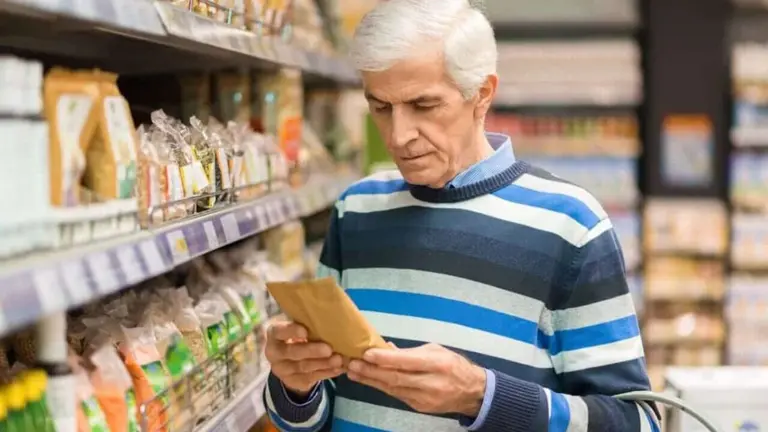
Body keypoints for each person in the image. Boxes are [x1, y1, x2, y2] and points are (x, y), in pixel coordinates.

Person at [263, 0, 660, 430]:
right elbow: (320, 415)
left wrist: (481, 396)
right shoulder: (356, 210)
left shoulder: (571, 226)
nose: (399, 136)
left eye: (424, 105)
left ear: (482, 94)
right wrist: (295, 387)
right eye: (381, 107)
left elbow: (636, 422)